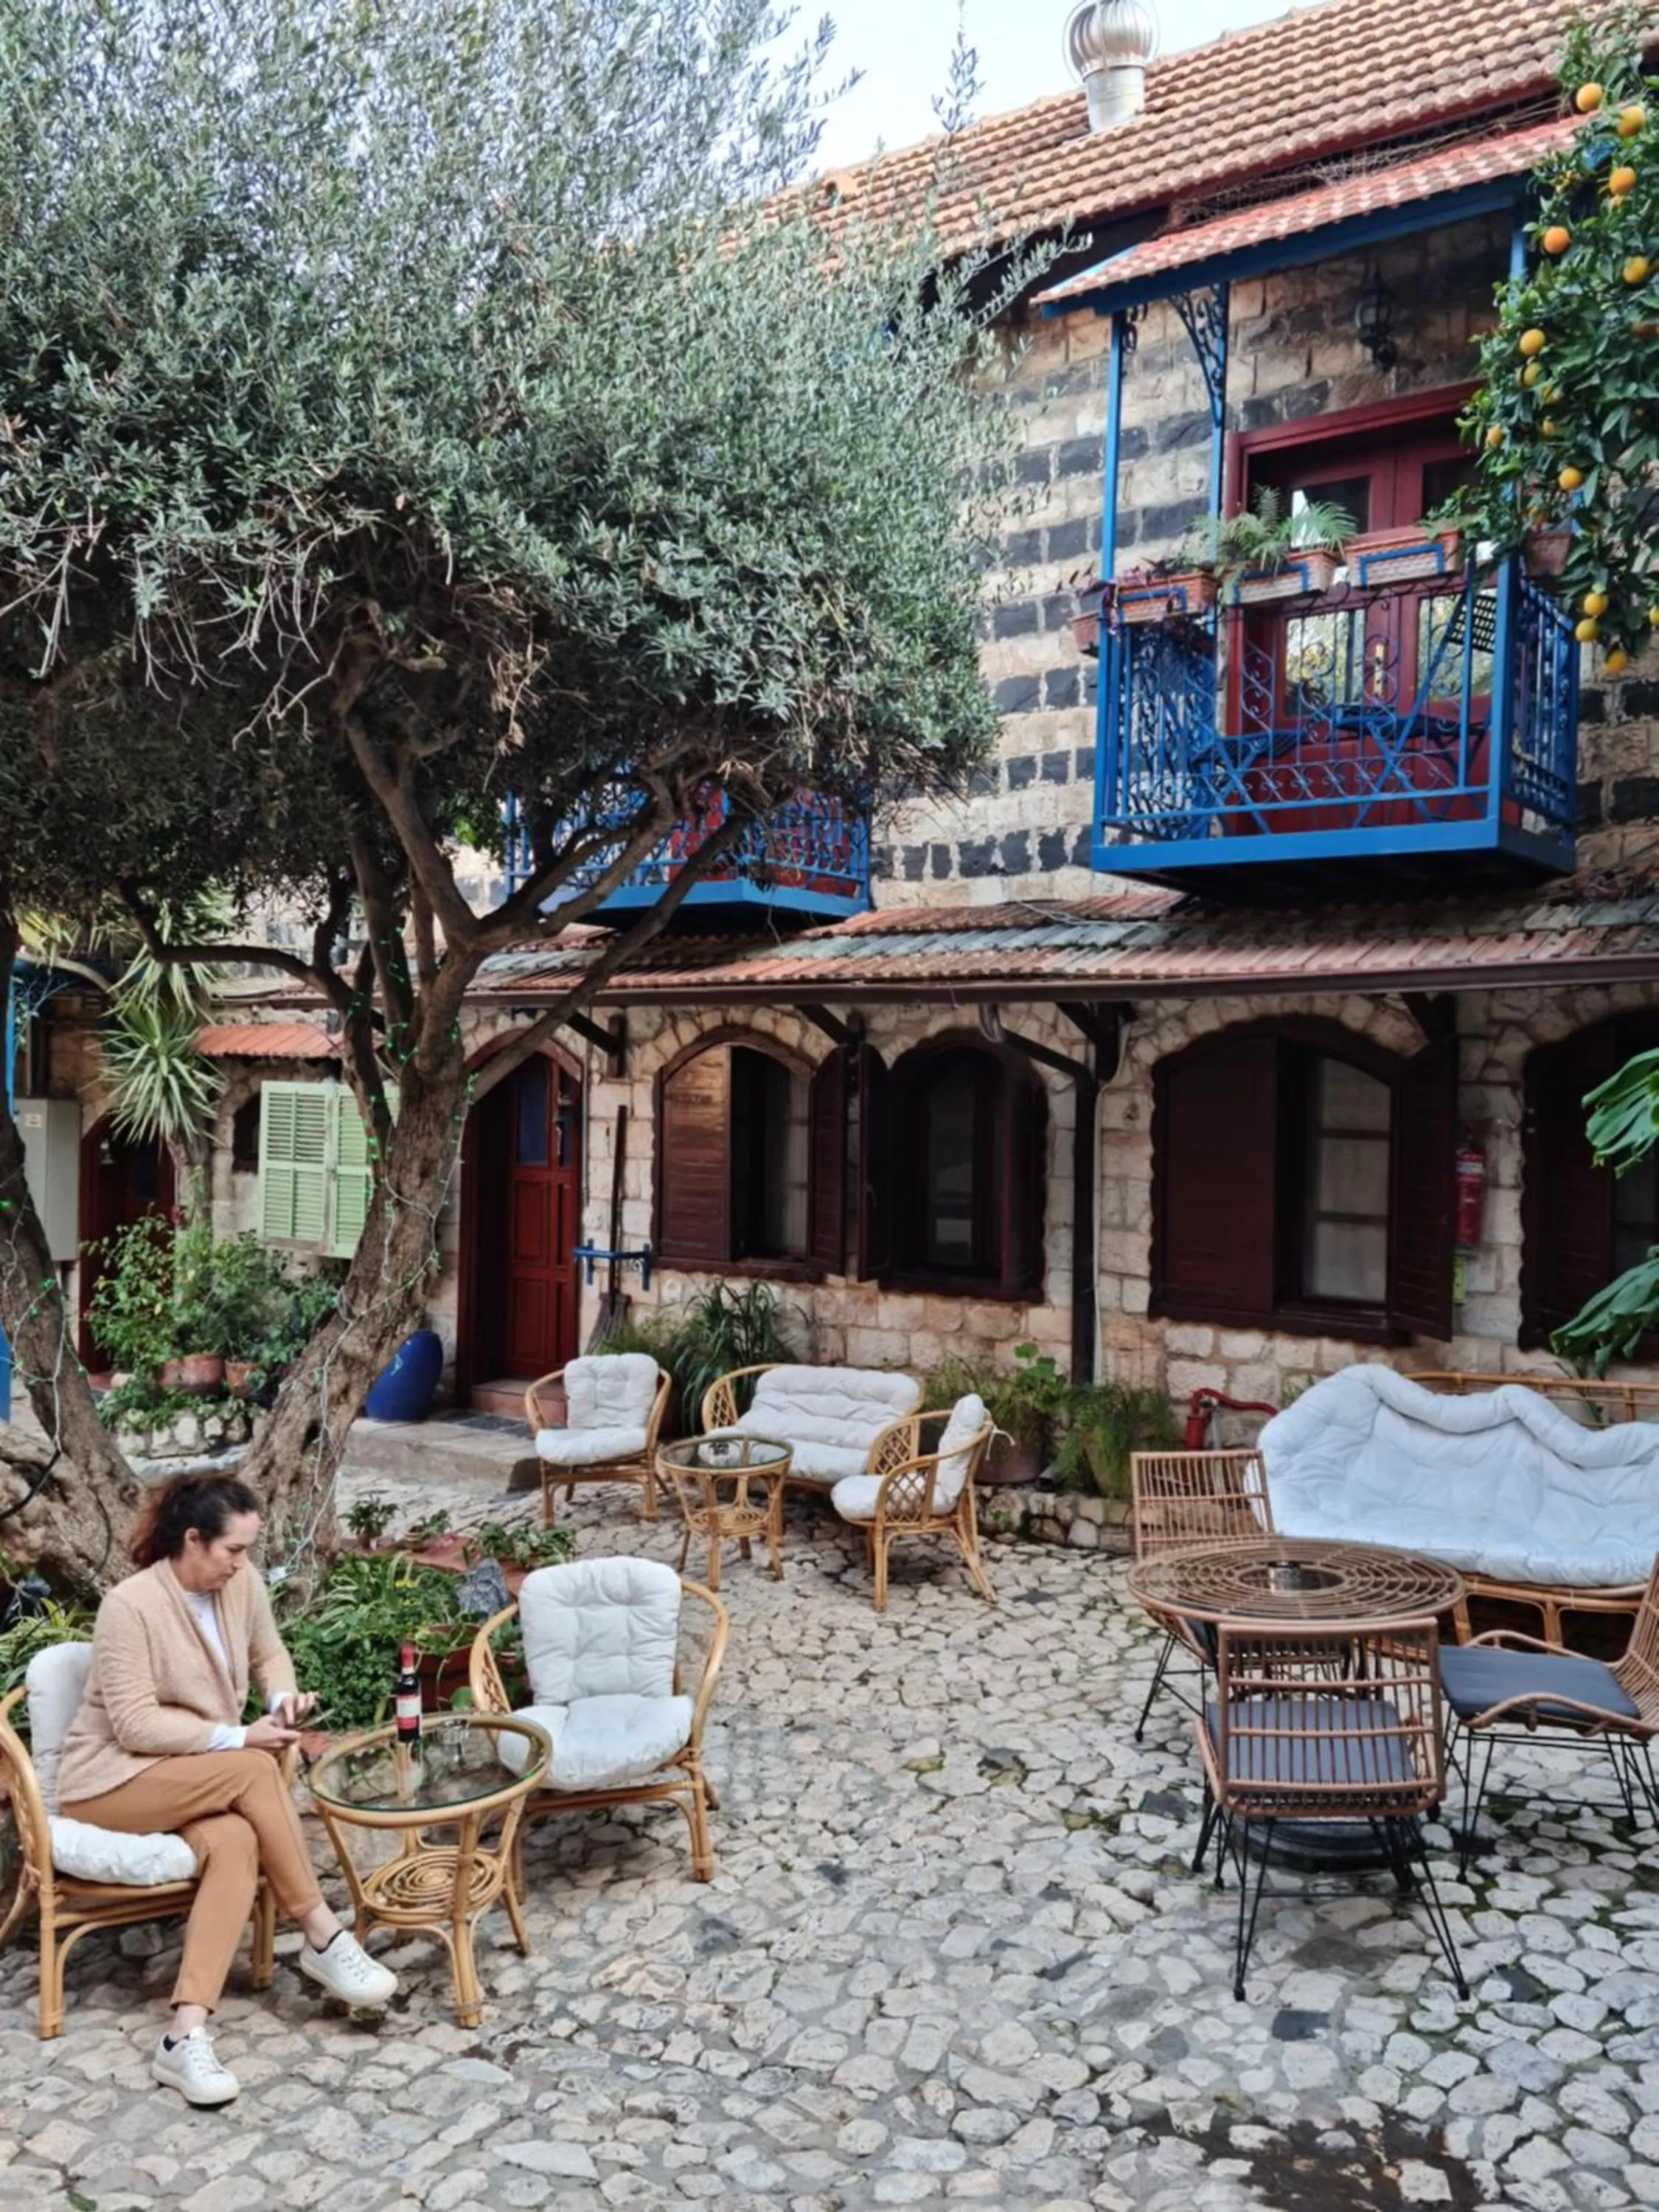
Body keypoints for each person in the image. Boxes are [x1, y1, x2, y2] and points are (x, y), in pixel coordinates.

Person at [57, 1471, 397, 2106]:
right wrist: (239, 1738)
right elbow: (134, 1724)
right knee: (250, 1768)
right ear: (192, 1539)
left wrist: (281, 1700)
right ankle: (322, 1934)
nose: (243, 1564)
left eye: (247, 1550)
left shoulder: (238, 1590)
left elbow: (269, 1654)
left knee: (237, 1841)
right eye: (233, 1550)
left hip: (188, 1779)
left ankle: (184, 2036)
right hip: (109, 1781)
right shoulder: (130, 1606)